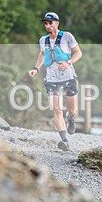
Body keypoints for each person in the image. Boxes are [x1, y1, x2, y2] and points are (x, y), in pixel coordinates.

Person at [28, 11, 82, 151]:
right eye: (45, 23)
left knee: (73, 110)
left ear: (57, 23)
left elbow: (78, 52)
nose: (48, 25)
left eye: (50, 23)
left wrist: (68, 62)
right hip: (52, 79)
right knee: (57, 110)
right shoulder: (43, 40)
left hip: (69, 77)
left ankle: (71, 119)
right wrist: (36, 68)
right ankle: (65, 141)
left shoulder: (67, 36)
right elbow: (42, 54)